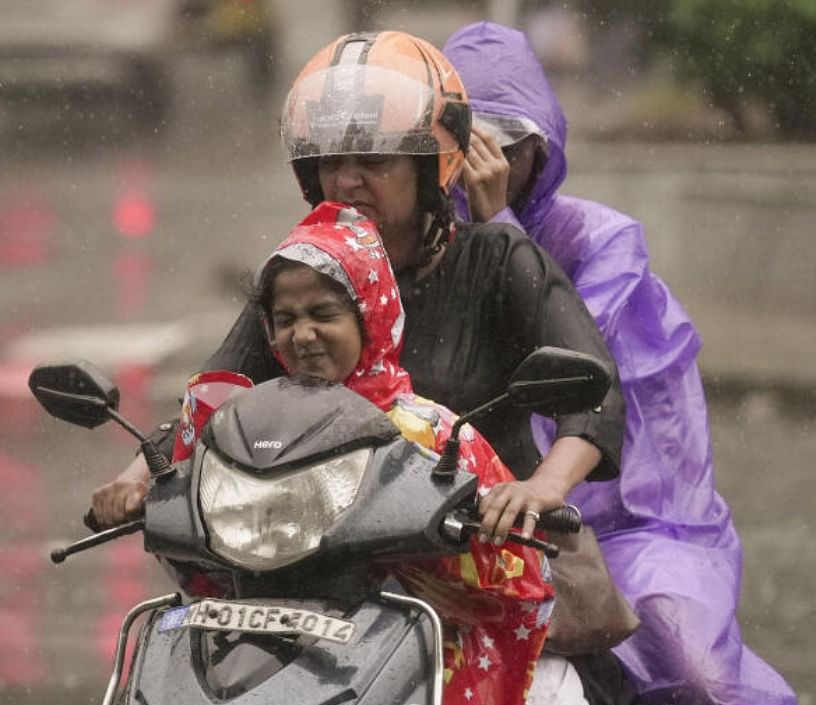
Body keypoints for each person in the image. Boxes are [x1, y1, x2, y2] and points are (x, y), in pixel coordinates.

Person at [92, 30, 625, 551]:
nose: (347, 181)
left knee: (560, 644)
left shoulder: (499, 258)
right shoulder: (302, 270)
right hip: (316, 552)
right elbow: (216, 392)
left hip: (481, 558)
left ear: (428, 167)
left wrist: (541, 488)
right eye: (331, 163)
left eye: (373, 162)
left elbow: (595, 393)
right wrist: (138, 473)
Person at [443, 21, 798, 705]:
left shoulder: (599, 244)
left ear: (539, 150)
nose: (481, 171)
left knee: (701, 683)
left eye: (502, 150)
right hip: (474, 518)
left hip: (634, 523)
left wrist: (500, 230)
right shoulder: (421, 238)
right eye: (462, 151)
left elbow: (574, 350)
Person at [170, 200, 574, 705]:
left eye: (323, 314)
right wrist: (151, 492)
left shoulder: (431, 431)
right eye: (285, 319)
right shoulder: (242, 427)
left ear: (371, 313)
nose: (303, 335)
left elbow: (521, 579)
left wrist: (479, 535)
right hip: (260, 655)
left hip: (411, 667)